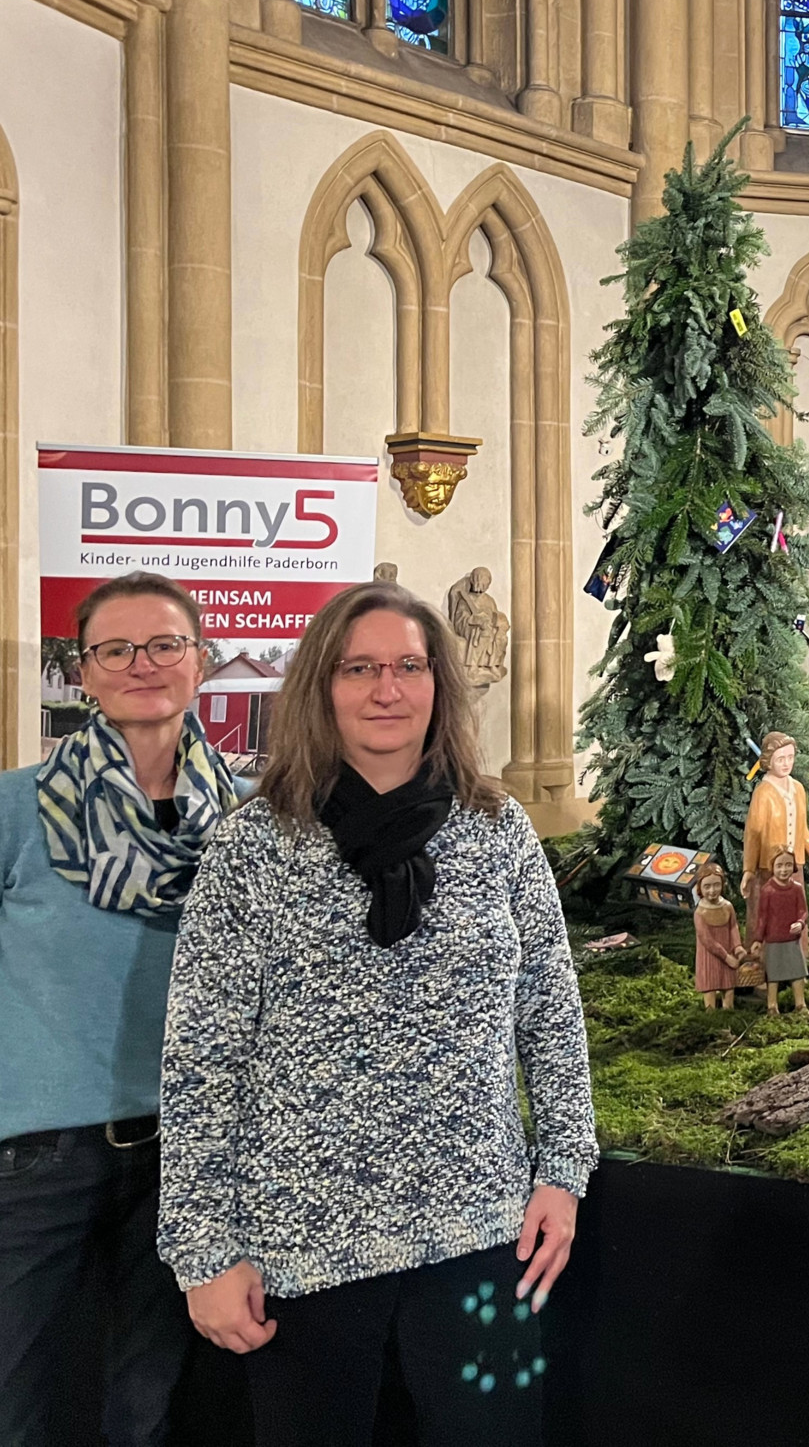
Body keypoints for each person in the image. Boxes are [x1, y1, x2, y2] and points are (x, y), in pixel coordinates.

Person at [156, 579, 597, 1447]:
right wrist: (202, 1249)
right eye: (359, 668)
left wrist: (563, 1171)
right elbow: (201, 1058)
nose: (386, 689)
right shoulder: (253, 848)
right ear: (321, 687)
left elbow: (549, 1010)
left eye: (408, 666)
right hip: (301, 1248)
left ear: (439, 683)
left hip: (481, 1232)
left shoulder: (497, 829)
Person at [0, 572, 237, 1447]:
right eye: (117, 649)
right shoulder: (14, 809)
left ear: (201, 662)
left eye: (166, 644)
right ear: (84, 673)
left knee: (146, 1411)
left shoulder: (246, 827)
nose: (144, 664)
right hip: (36, 1158)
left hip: (186, 1155)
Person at [739, 729, 809, 935]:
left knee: (795, 912)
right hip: (769, 868)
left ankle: (795, 951)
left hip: (794, 866)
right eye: (780, 759)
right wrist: (748, 870)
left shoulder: (798, 789)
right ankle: (764, 952)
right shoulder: (763, 793)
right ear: (768, 761)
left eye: (790, 757)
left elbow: (802, 830)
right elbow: (753, 834)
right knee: (768, 916)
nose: (786, 763)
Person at [753, 849, 809, 1015]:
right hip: (773, 939)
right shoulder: (768, 890)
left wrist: (800, 923)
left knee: (797, 973)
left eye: (788, 865)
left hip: (792, 939)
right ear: (772, 867)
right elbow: (762, 917)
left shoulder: (796, 889)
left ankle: (800, 1003)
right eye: (779, 865)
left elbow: (803, 911)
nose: (784, 870)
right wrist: (758, 939)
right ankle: (772, 1005)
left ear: (793, 866)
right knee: (773, 975)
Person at [692, 862, 746, 1011]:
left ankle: (728, 1011)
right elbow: (707, 941)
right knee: (710, 986)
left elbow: (733, 927)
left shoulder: (727, 906)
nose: (712, 890)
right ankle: (711, 1014)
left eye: (716, 885)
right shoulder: (700, 912)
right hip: (709, 957)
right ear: (700, 888)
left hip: (728, 953)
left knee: (728, 985)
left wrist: (737, 947)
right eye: (707, 886)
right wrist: (727, 957)